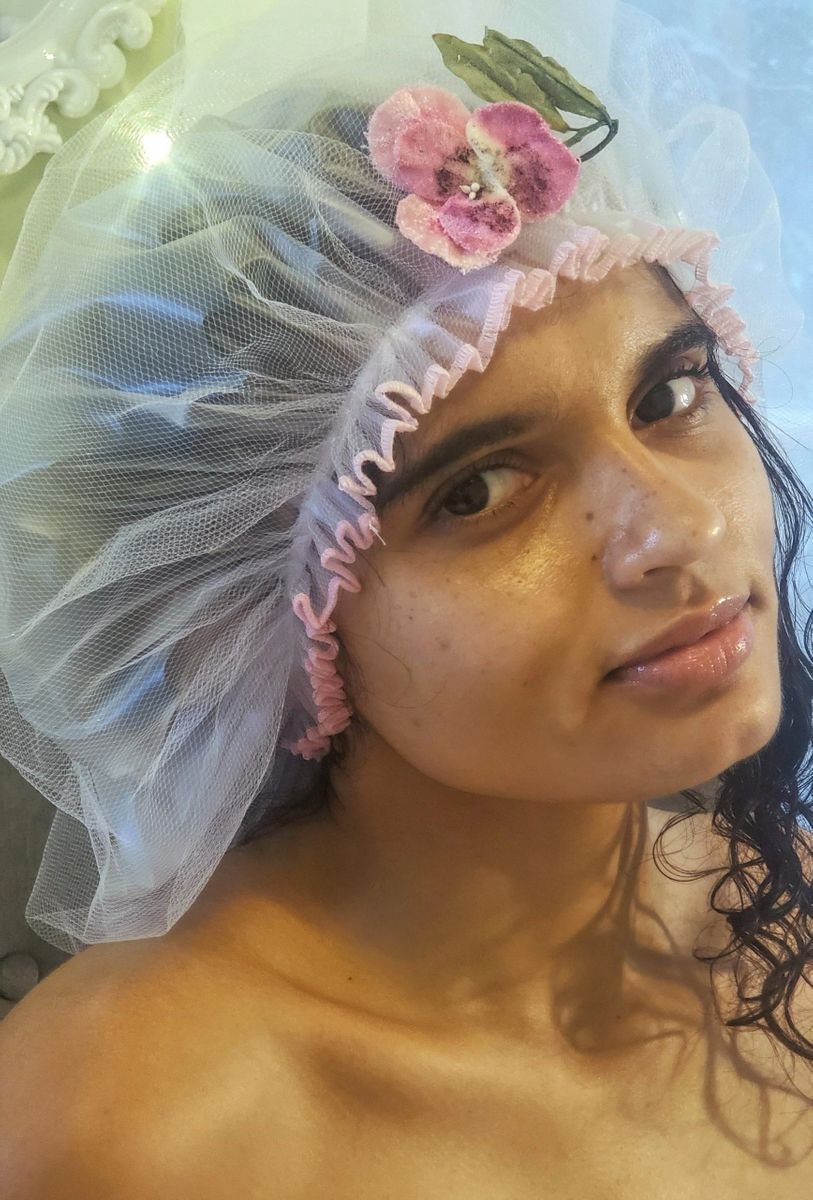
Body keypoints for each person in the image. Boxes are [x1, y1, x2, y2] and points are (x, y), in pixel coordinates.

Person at [1, 0, 812, 1194]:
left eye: (669, 395)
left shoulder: (781, 899)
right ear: (269, 613)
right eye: (480, 490)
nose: (684, 530)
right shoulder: (125, 1120)